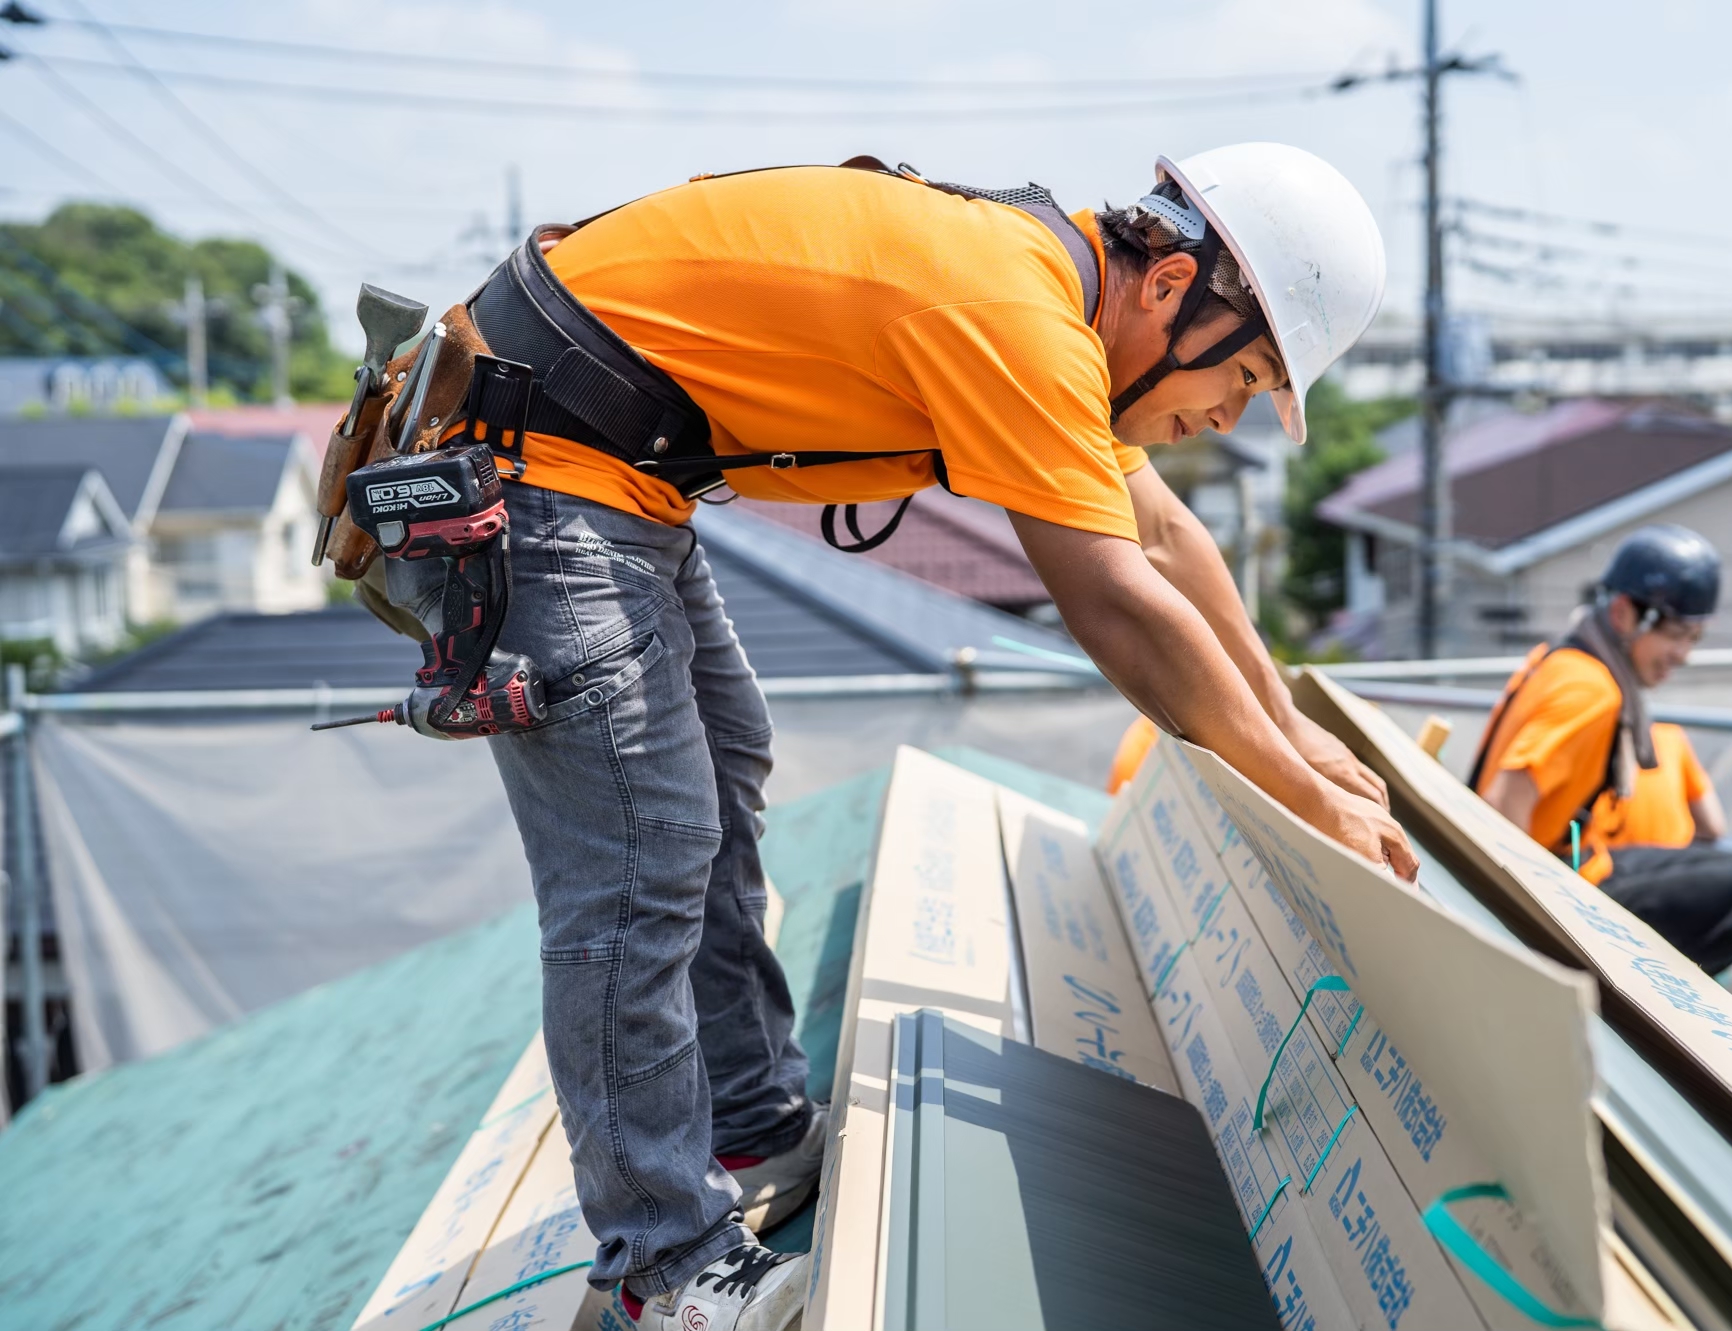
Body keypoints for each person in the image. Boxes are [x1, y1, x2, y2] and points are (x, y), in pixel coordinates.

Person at [384, 144, 1414, 1331]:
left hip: (608, 474)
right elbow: (1120, 603)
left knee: (719, 774)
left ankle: (750, 1127)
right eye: (1243, 381)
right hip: (541, 474)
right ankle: (657, 1270)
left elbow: (1167, 537)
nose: (1222, 417)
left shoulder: (1054, 293)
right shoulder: (1015, 311)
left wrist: (1285, 722)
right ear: (1174, 288)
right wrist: (1295, 789)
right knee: (639, 862)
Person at [1471, 525, 1732, 975]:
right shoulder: (1591, 690)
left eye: (1694, 638)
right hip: (1560, 893)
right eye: (1676, 633)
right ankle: (1639, 1009)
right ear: (1623, 614)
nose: (1683, 653)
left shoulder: (1562, 660)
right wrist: (1521, 951)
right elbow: (1500, 807)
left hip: (1578, 863)